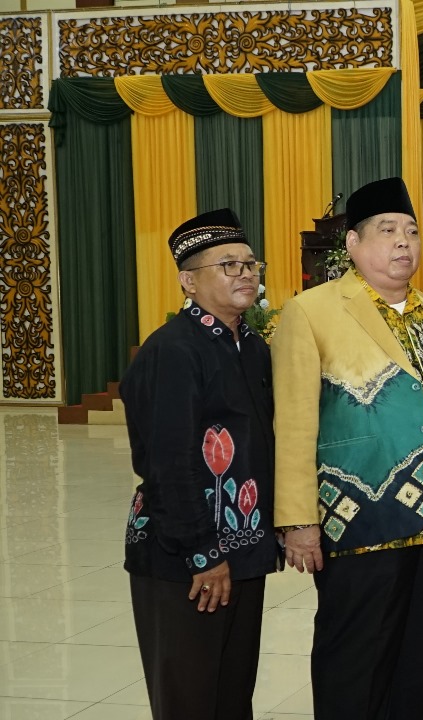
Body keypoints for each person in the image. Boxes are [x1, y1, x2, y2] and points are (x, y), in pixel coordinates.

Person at [271, 177, 423, 720]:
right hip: (361, 521)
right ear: (354, 245)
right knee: (356, 661)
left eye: (411, 231)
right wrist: (297, 520)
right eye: (387, 231)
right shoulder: (311, 311)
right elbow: (292, 422)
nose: (403, 242)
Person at [120, 208, 277, 720]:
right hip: (184, 557)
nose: (246, 274)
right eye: (228, 265)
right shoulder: (175, 350)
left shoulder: (251, 347)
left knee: (232, 696)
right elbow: (169, 462)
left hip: (243, 549)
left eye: (251, 264)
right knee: (189, 699)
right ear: (189, 281)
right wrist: (203, 553)